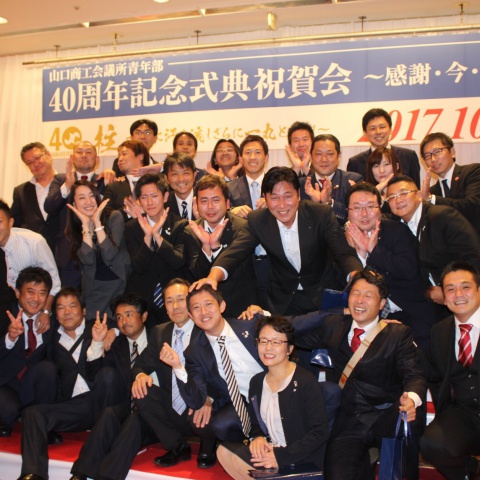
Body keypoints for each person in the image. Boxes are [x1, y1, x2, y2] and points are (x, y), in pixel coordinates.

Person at [296, 269, 426, 480]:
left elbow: (414, 374)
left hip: (387, 414)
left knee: (407, 422)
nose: (360, 300)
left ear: (382, 303)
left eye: (368, 295)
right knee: (337, 474)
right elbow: (292, 335)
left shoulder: (397, 334)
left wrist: (411, 398)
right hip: (351, 418)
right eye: (356, 293)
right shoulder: (334, 325)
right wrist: (262, 316)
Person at [161, 284, 333, 444]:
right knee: (221, 424)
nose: (204, 312)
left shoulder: (249, 323)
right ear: (191, 316)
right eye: (196, 308)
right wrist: (178, 367)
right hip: (247, 404)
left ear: (222, 306)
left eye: (208, 304)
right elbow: (196, 401)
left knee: (330, 392)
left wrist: (335, 312)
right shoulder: (194, 351)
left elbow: (294, 323)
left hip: (282, 389)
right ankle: (254, 446)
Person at [197, 166, 362, 315]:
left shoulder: (320, 214)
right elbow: (235, 252)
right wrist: (213, 277)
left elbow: (343, 252)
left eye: (288, 196)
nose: (282, 205)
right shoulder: (258, 220)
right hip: (284, 301)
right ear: (265, 198)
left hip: (322, 296)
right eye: (274, 198)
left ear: (298, 195)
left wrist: (356, 276)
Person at [18, 287, 123, 480]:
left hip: (102, 401)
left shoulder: (100, 328)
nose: (67, 312)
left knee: (108, 374)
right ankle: (33, 473)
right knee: (32, 413)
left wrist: (113, 331)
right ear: (55, 314)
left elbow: (127, 324)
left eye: (72, 306)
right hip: (74, 406)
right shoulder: (50, 337)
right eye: (61, 307)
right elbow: (31, 363)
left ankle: (101, 447)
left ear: (84, 310)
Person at [217, 316, 329, 479]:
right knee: (224, 452)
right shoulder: (257, 382)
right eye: (263, 341)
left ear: (289, 349)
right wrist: (258, 438)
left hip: (299, 457)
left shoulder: (305, 381)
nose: (268, 348)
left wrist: (280, 456)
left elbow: (320, 432)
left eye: (276, 342)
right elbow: (256, 424)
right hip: (271, 451)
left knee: (243, 465)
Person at [132, 278, 217, 470]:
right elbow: (140, 365)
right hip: (173, 406)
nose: (176, 306)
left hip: (201, 402)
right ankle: (177, 445)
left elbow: (222, 372)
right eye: (169, 301)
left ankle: (208, 446)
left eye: (181, 299)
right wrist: (141, 376)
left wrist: (209, 398)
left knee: (204, 404)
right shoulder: (159, 332)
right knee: (142, 390)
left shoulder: (206, 327)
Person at [344, 182, 437, 350]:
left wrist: (373, 250)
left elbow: (408, 270)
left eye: (370, 206)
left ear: (380, 208)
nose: (364, 214)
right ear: (347, 211)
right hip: (368, 319)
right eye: (357, 208)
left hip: (409, 312)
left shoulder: (397, 231)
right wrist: (362, 256)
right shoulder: (342, 238)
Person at [69, 293, 151, 480]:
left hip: (155, 411)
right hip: (128, 405)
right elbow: (94, 374)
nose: (124, 321)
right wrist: (97, 342)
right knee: (108, 414)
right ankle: (80, 473)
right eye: (119, 317)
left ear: (144, 316)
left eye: (129, 314)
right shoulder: (117, 344)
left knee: (135, 421)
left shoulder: (158, 337)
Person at [420, 262, 480, 480]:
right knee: (432, 444)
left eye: (466, 287)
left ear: (478, 290)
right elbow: (434, 374)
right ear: (444, 298)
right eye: (451, 289)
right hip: (464, 412)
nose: (458, 294)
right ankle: (470, 471)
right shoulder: (440, 330)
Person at [385, 175, 480, 309]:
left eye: (404, 193)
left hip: (463, 297)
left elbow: (473, 255)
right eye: (392, 197)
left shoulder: (442, 216)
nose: (398, 200)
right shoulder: (397, 227)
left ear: (419, 195)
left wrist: (447, 290)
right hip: (430, 303)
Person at [184, 175, 258, 317]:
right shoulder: (191, 230)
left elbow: (234, 266)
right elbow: (197, 274)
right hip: (206, 311)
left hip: (241, 306)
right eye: (204, 201)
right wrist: (206, 247)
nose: (210, 206)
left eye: (216, 200)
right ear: (196, 205)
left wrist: (216, 247)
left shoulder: (243, 227)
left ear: (228, 203)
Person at [45, 140, 114, 287]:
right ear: (72, 158)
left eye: (88, 152)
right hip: (68, 252)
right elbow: (50, 207)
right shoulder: (60, 179)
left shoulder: (105, 180)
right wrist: (67, 186)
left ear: (97, 159)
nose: (84, 155)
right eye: (79, 152)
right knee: (68, 296)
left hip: (98, 252)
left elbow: (111, 212)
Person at [125, 174, 188, 325]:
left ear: (165, 197)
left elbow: (178, 261)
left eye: (154, 196)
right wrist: (148, 238)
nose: (149, 202)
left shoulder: (180, 225)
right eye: (144, 197)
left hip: (173, 300)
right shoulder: (132, 227)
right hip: (143, 301)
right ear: (139, 200)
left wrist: (158, 237)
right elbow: (138, 266)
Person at [0, 268, 57, 438]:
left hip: (30, 383)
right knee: (8, 413)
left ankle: (43, 423)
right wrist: (10, 338)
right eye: (30, 292)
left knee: (48, 368)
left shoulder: (51, 320)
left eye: (42, 293)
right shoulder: (4, 314)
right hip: (5, 382)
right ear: (18, 293)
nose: (36, 299)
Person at [66, 181, 130, 320]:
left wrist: (97, 223)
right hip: (93, 290)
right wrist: (86, 226)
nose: (88, 202)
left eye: (91, 196)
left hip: (119, 287)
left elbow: (109, 254)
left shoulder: (114, 217)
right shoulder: (75, 227)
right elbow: (88, 259)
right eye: (82, 198)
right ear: (74, 204)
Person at [0, 199, 61, 332]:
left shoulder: (34, 242)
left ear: (10, 222)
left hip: (37, 305)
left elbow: (54, 280)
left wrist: (45, 311)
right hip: (9, 309)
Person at [227, 134, 270, 306]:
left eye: (257, 152)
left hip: (274, 262)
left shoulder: (277, 186)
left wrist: (274, 205)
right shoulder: (229, 187)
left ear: (266, 157)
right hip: (244, 264)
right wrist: (232, 212)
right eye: (248, 152)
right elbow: (218, 216)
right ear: (240, 158)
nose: (252, 157)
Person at [419, 131, 480, 236]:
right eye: (428, 156)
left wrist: (430, 199)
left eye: (437, 152)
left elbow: (472, 206)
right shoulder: (432, 191)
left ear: (452, 152)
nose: (433, 159)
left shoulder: (473, 172)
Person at [347, 108, 421, 187]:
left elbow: (416, 189)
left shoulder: (408, 156)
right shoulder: (355, 163)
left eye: (382, 127)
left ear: (390, 129)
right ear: (365, 133)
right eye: (372, 128)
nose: (378, 132)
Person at [12, 142, 64, 252]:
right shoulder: (20, 191)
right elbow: (16, 226)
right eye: (30, 162)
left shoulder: (67, 182)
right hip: (34, 251)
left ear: (48, 155)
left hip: (65, 251)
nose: (36, 164)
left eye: (37, 158)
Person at [300, 133, 362, 224]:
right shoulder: (300, 184)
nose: (324, 159)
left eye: (329, 154)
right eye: (318, 154)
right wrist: (315, 204)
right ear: (311, 157)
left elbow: (357, 216)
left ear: (338, 156)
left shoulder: (352, 180)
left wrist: (328, 202)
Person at [103, 140, 150, 221]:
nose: (120, 159)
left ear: (140, 156)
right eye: (119, 156)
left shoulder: (156, 182)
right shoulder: (113, 187)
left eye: (124, 154)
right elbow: (106, 217)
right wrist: (129, 208)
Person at [163, 152, 200, 220]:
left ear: (194, 175)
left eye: (185, 173)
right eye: (175, 174)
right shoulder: (163, 204)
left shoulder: (204, 199)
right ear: (166, 178)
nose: (181, 179)